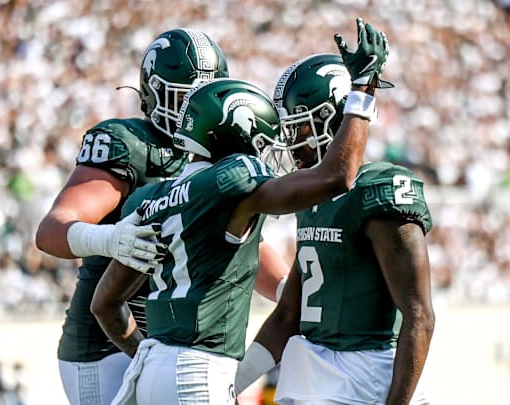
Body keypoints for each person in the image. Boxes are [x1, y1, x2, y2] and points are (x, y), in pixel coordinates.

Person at [89, 17, 389, 405]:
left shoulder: (154, 196)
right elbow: (337, 177)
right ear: (235, 134)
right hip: (197, 369)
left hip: (150, 367)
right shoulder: (231, 179)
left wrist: (153, 356)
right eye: (261, 140)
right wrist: (362, 92)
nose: (266, 153)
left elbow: (105, 304)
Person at [34, 28, 288, 405]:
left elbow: (239, 243)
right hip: (105, 346)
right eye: (185, 98)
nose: (195, 110)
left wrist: (290, 291)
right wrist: (107, 240)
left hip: (169, 346)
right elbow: (52, 229)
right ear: (153, 93)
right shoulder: (130, 144)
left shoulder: (216, 155)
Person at [234, 51, 435, 405]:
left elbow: (419, 317)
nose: (289, 138)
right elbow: (287, 315)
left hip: (367, 377)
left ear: (332, 118)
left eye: (298, 125)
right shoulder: (312, 199)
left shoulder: (379, 188)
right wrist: (229, 387)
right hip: (314, 371)